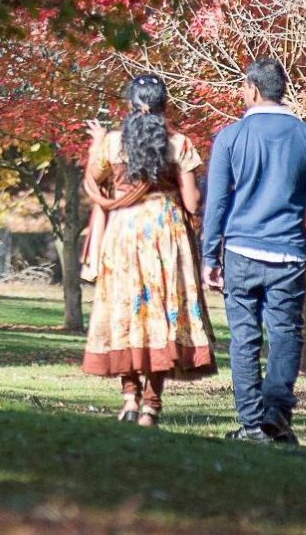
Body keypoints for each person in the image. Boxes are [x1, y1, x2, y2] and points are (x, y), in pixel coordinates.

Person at [202, 58, 306, 445]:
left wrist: (210, 256)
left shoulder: (230, 137)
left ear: (253, 90)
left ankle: (252, 424)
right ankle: (277, 413)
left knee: (244, 338)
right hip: (289, 254)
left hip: (241, 250)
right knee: (286, 335)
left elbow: (217, 205)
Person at [81, 74, 217, 427]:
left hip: (124, 232)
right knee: (163, 313)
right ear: (164, 104)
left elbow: (94, 181)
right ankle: (151, 406)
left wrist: (97, 143)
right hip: (165, 233)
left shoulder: (112, 143)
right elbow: (191, 201)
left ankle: (129, 398)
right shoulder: (179, 144)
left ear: (130, 104)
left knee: (127, 310)